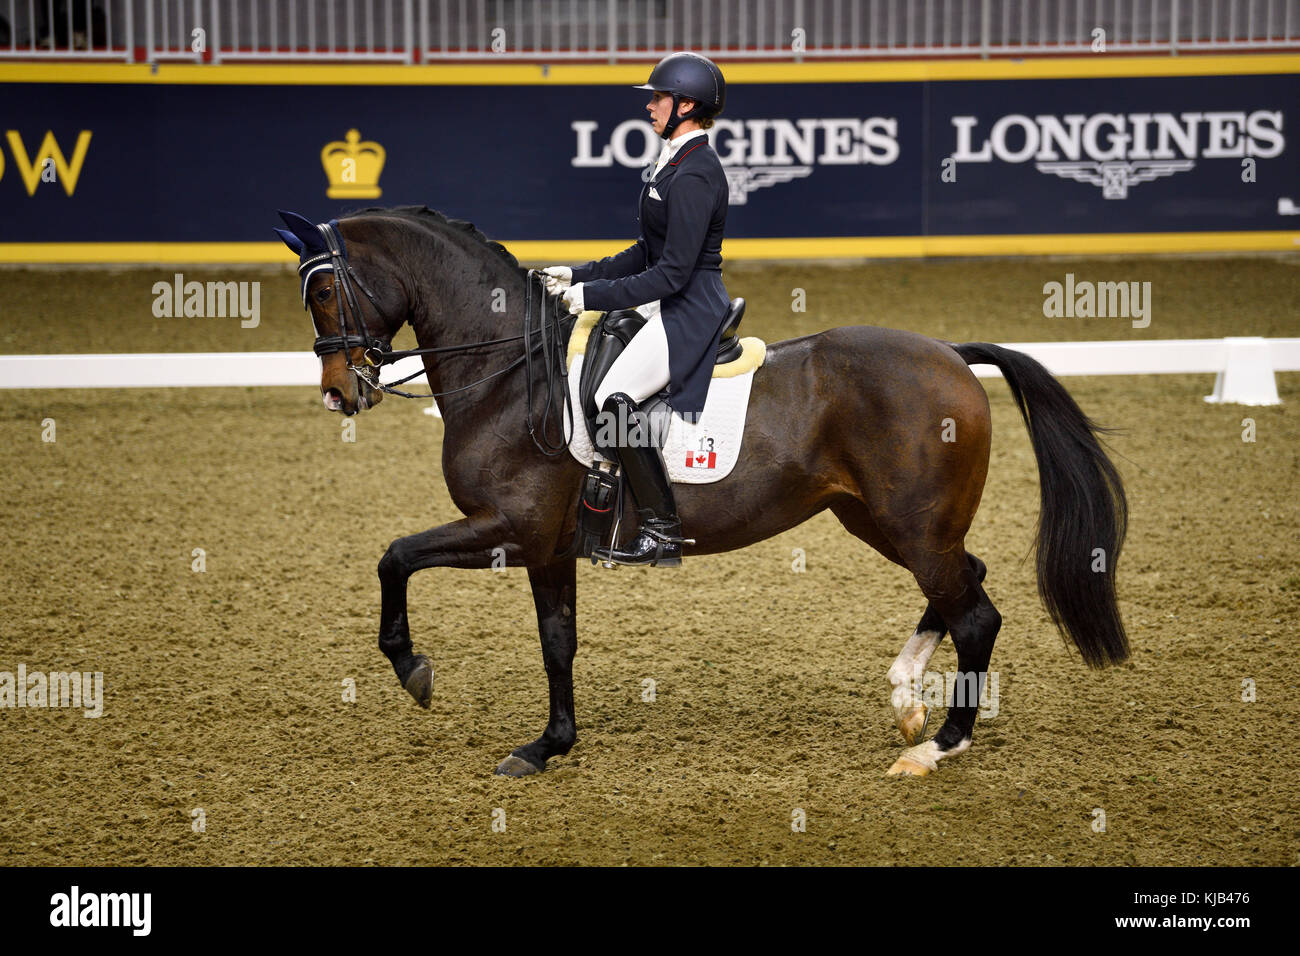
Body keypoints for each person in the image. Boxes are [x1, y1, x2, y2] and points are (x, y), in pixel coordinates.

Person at [542, 51, 731, 568]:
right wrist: (578, 274)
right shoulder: (671, 161)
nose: (649, 107)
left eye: (658, 98)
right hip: (671, 299)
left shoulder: (694, 174)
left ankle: (663, 529)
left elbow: (673, 273)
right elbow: (644, 252)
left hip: (688, 307)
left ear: (686, 105)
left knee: (613, 396)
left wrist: (589, 299)